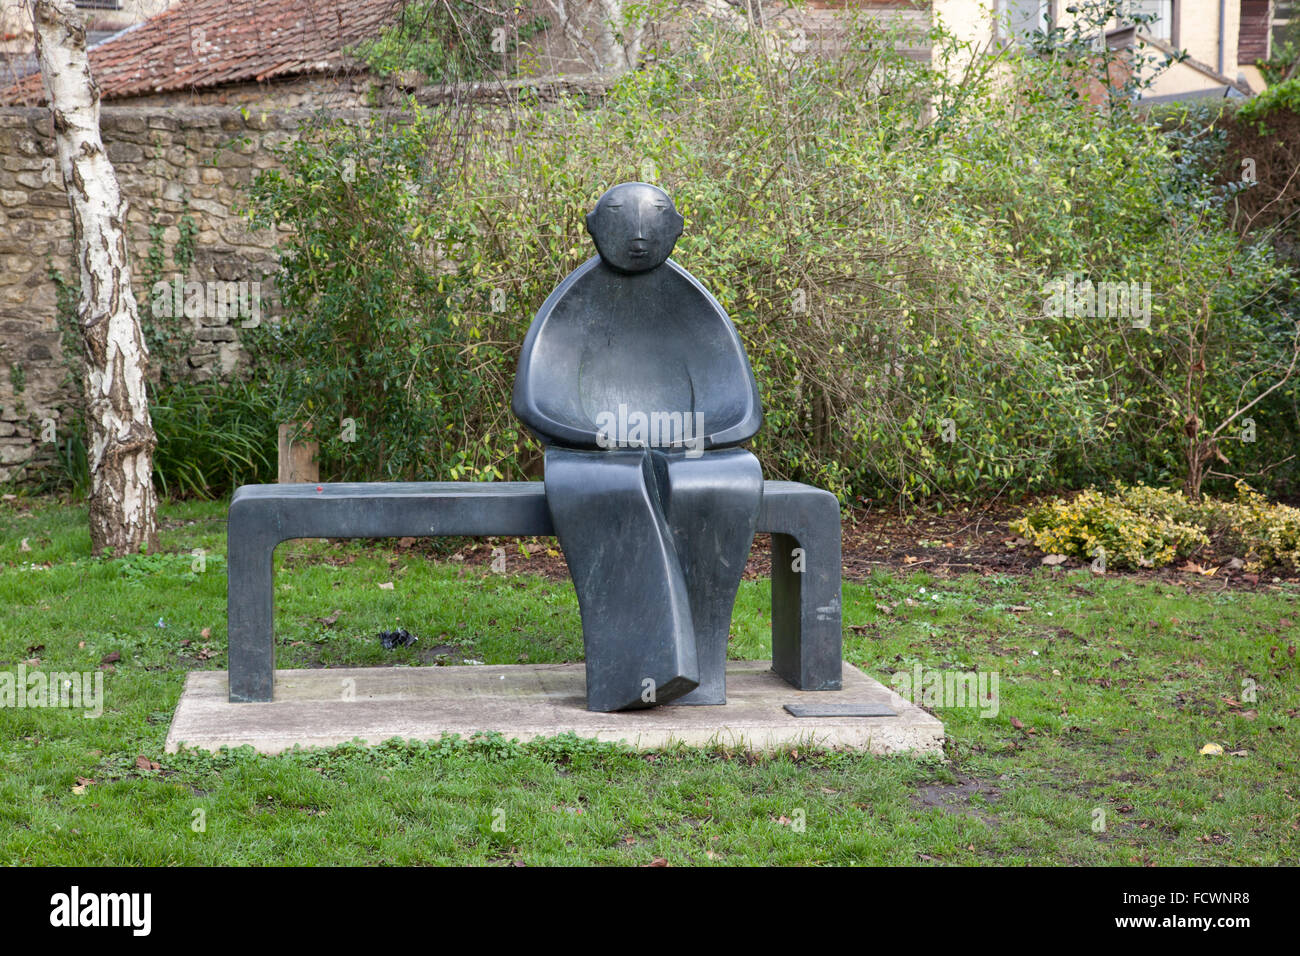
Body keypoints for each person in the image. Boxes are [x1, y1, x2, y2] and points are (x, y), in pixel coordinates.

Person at [513, 182, 764, 711]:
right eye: (621, 222)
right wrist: (602, 437)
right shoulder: (574, 299)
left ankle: (699, 670)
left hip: (683, 447)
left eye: (653, 225)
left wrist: (693, 438)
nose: (638, 239)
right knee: (613, 481)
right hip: (591, 449)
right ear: (593, 225)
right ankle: (641, 670)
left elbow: (742, 410)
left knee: (719, 481)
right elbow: (536, 402)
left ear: (675, 230)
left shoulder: (693, 304)